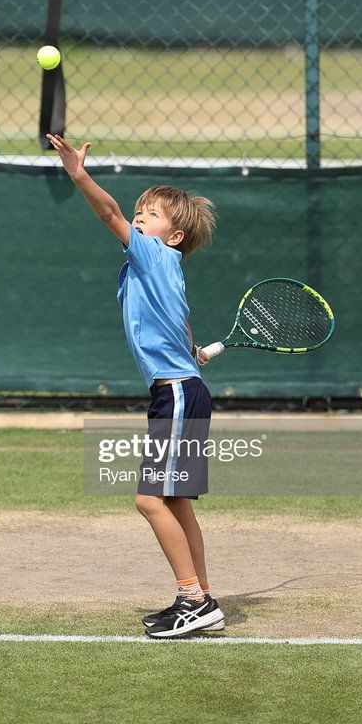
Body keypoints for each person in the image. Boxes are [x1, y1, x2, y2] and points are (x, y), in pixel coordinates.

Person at [47, 133, 224, 638]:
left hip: (177, 395)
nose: (140, 216)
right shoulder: (158, 270)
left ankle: (193, 598)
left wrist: (79, 175)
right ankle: (202, 598)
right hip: (182, 388)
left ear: (171, 237)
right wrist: (191, 352)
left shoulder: (151, 256)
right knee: (177, 503)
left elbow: (108, 215)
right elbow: (182, 331)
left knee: (150, 500)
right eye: (140, 210)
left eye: (151, 214)